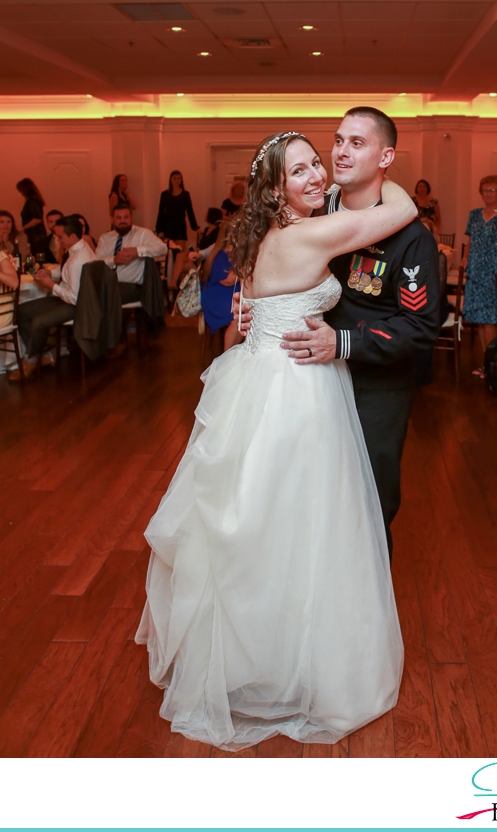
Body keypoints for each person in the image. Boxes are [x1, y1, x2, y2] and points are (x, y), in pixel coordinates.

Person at [134, 130, 416, 750]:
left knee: (262, 523)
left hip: (259, 380)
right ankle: (297, 660)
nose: (318, 175)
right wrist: (367, 173)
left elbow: (245, 318)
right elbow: (402, 210)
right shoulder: (311, 234)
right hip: (298, 391)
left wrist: (249, 313)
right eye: (303, 171)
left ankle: (253, 653)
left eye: (320, 162)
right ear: (277, 189)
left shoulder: (261, 238)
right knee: (306, 523)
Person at [266, 108, 441, 556]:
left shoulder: (410, 235)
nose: (341, 151)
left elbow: (419, 326)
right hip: (310, 380)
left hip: (375, 386)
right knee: (309, 490)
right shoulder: (313, 209)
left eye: (357, 143)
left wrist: (342, 343)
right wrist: (253, 308)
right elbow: (274, 265)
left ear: (386, 157)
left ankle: (364, 605)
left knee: (370, 495)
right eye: (339, 139)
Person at [9, 215, 97, 382]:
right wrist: (51, 273)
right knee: (22, 311)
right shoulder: (77, 248)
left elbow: (74, 297)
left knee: (39, 321)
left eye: (60, 237)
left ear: (72, 236)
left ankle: (31, 359)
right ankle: (43, 353)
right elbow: (67, 271)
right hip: (67, 297)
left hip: (76, 305)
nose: (57, 239)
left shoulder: (79, 259)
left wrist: (50, 285)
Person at [463, 175, 497, 376]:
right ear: (481, 192)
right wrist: (465, 258)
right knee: (479, 321)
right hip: (475, 271)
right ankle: (487, 364)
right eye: (485, 190)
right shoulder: (474, 214)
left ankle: (491, 365)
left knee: (490, 321)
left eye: (493, 190)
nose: (489, 194)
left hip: (494, 272)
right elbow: (470, 241)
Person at [95, 202, 168, 304]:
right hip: (107, 284)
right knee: (88, 294)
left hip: (130, 286)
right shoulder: (105, 238)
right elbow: (96, 262)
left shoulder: (142, 233)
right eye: (119, 218)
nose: (123, 221)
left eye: (126, 217)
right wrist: (114, 260)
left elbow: (163, 248)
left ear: (132, 218)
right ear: (112, 220)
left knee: (105, 297)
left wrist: (137, 251)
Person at [199, 217, 238, 351]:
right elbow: (229, 281)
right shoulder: (220, 255)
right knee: (239, 317)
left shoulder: (235, 254)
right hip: (217, 298)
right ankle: (228, 358)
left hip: (231, 294)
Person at [155, 170, 198, 242]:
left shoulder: (185, 194)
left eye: (179, 178)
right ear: (170, 180)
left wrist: (195, 227)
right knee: (169, 251)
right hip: (168, 226)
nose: (177, 180)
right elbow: (161, 212)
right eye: (174, 178)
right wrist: (159, 229)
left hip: (180, 225)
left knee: (179, 250)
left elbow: (190, 211)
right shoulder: (164, 194)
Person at [16, 179, 51, 260]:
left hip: (36, 235)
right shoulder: (33, 200)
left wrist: (23, 228)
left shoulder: (32, 201)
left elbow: (37, 219)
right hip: (35, 235)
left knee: (35, 256)